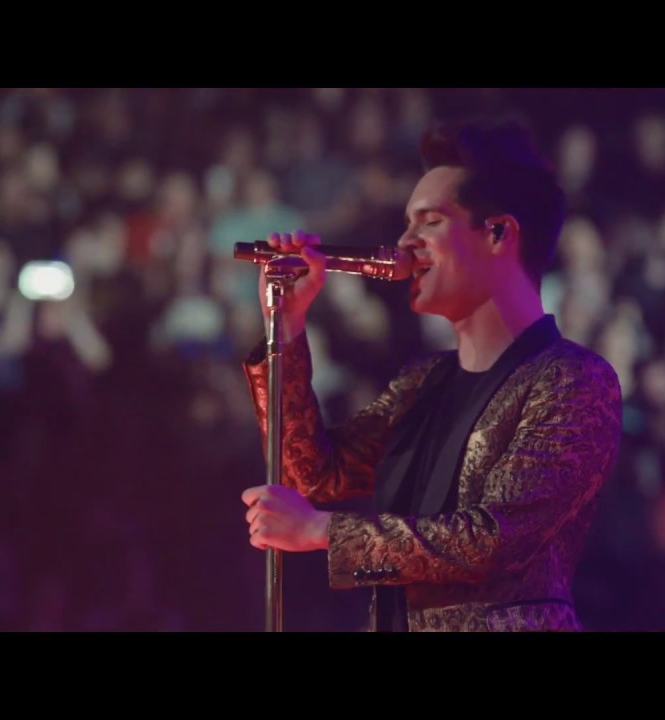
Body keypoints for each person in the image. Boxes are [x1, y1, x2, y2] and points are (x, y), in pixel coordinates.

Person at [240, 117, 622, 632]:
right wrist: (287, 328)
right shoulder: (421, 382)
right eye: (407, 223)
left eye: (430, 222)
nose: (405, 242)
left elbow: (494, 541)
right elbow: (314, 475)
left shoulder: (573, 381)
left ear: (498, 233)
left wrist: (320, 531)